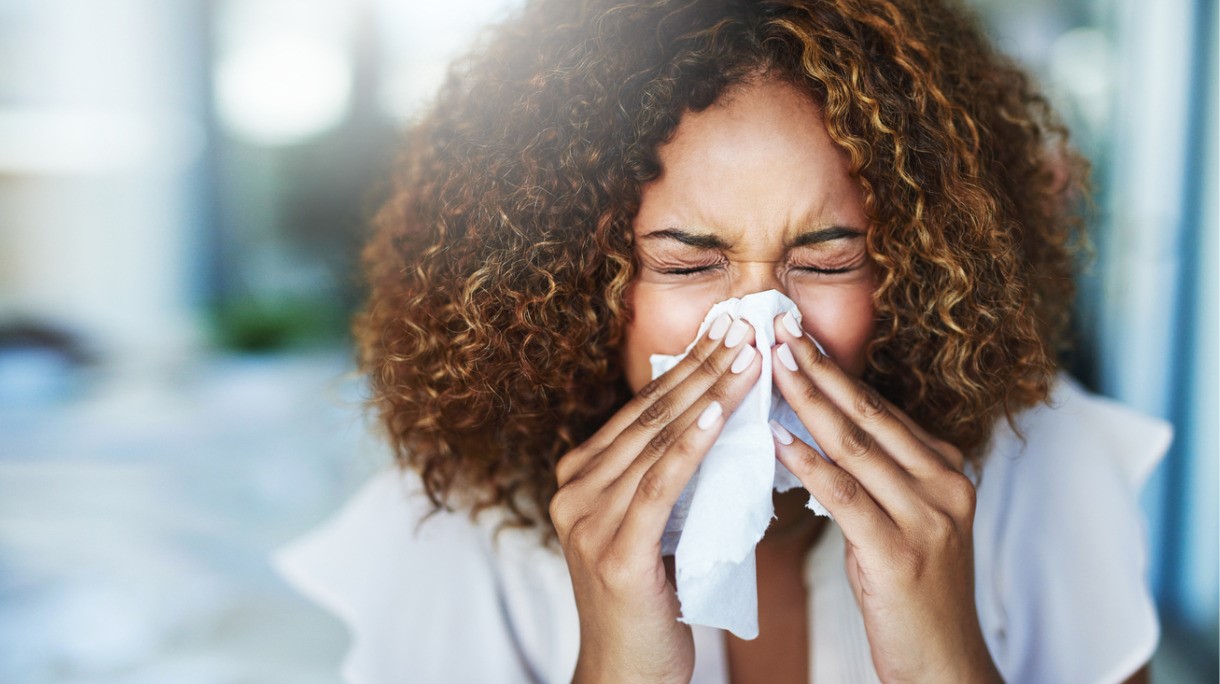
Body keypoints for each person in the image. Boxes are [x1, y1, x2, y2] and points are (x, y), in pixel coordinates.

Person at [273, 0, 1172, 682]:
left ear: (916, 274)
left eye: (824, 262)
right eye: (686, 265)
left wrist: (945, 658)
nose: (758, 331)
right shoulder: (456, 534)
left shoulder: (1047, 473)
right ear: (574, 286)